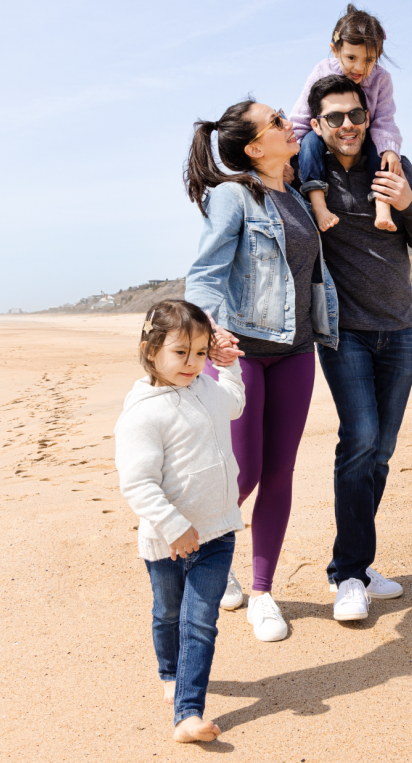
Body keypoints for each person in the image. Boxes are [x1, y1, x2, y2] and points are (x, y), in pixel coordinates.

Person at [183, 99, 338, 642]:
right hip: (240, 355)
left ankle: (264, 592)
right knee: (242, 473)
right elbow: (204, 274)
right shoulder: (232, 196)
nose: (287, 125)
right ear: (253, 148)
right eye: (275, 122)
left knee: (280, 473)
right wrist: (212, 331)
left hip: (296, 352)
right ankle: (202, 555)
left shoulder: (295, 195)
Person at [293, 73, 412, 621]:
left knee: (380, 449)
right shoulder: (306, 175)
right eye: (335, 118)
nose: (349, 125)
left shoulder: (394, 166)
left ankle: (354, 562)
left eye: (355, 114)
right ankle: (350, 574)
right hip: (343, 331)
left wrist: (405, 203)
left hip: (399, 328)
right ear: (318, 124)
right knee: (358, 439)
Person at [114, 300, 246, 743]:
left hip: (218, 529)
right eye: (181, 353)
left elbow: (235, 406)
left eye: (201, 353)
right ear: (151, 350)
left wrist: (227, 368)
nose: (192, 363)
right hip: (168, 540)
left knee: (200, 620)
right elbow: (137, 483)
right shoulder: (142, 413)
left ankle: (188, 714)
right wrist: (173, 526)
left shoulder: (206, 387)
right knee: (168, 612)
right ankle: (169, 671)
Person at [290, 3, 403, 234]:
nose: (359, 67)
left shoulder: (381, 79)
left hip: (364, 137)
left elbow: (384, 120)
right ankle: (319, 206)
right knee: (310, 143)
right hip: (325, 137)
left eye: (369, 60)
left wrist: (390, 149)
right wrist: (286, 154)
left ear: (378, 56)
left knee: (379, 153)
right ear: (335, 50)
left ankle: (382, 208)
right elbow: (301, 117)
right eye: (351, 57)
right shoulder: (322, 71)